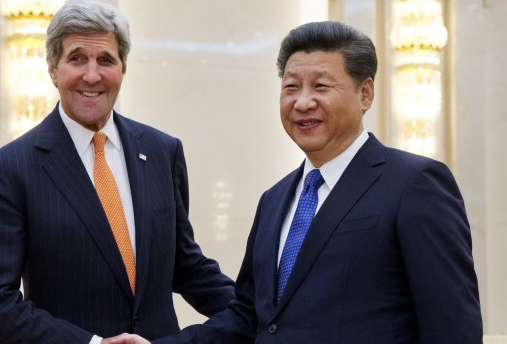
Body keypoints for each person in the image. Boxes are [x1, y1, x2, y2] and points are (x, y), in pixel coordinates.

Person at [110, 21, 483, 344]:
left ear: (365, 93)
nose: (303, 102)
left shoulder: (414, 184)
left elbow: (451, 326)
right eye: (291, 87)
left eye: (321, 86)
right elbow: (249, 318)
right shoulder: (274, 200)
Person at [0, 0, 235, 343]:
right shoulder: (10, 169)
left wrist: (263, 315)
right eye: (76, 59)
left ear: (123, 68)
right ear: (52, 68)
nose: (92, 75)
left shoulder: (162, 151)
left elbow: (186, 265)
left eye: (106, 60)